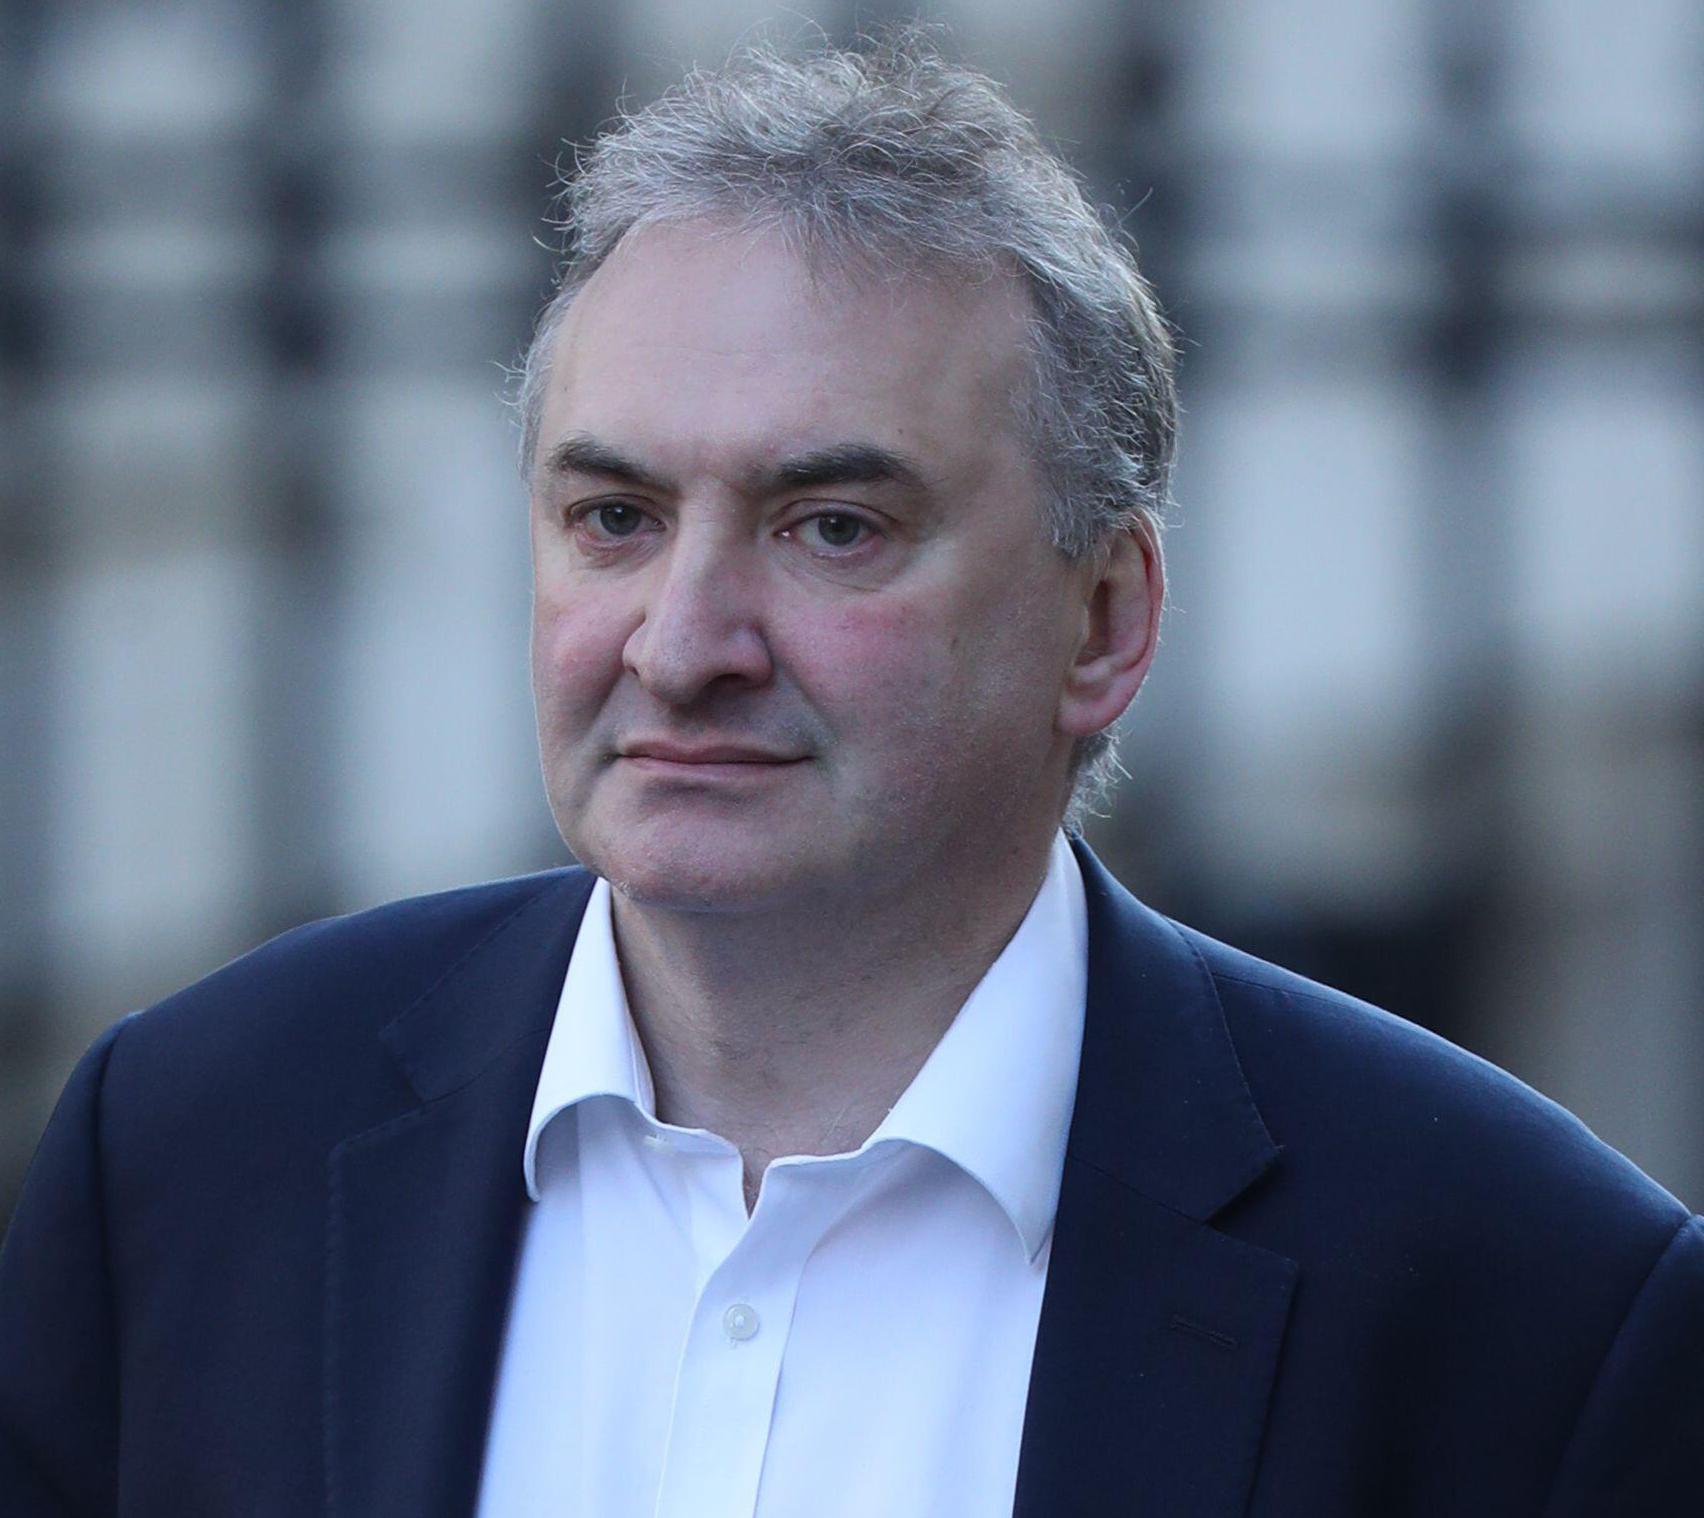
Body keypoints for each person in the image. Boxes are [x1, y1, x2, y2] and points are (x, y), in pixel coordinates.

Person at [2, 34, 1700, 1518]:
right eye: (616, 518)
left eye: (833, 527)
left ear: (1103, 619)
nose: (681, 642)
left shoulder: (1526, 1302)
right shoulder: (186, 1154)